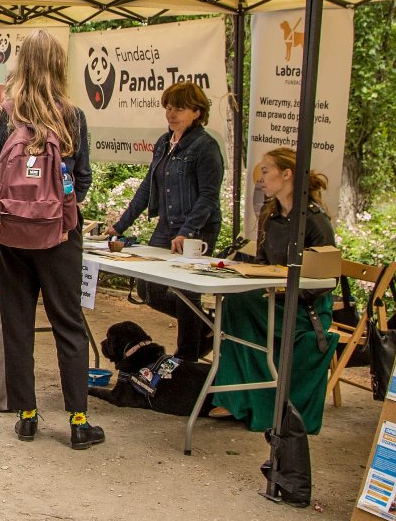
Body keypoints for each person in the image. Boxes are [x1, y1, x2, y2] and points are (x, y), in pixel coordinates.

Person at [0, 31, 101, 449]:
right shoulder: (72, 116)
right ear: (58, 64)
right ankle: (78, 421)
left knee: (17, 322)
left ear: (20, 63)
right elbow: (83, 179)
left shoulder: (1, 116)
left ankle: (28, 416)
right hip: (59, 235)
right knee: (68, 322)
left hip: (10, 235)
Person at [209, 148, 338, 432]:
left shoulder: (314, 221)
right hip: (274, 298)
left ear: (287, 174)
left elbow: (326, 281)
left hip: (305, 308)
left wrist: (278, 288)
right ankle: (240, 397)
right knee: (233, 301)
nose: (261, 178)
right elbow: (263, 264)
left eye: (266, 171)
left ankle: (253, 400)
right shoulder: (271, 215)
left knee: (240, 305)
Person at [105, 81, 226, 359]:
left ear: (197, 112)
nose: (171, 114)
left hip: (197, 228)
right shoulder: (163, 142)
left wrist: (187, 231)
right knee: (148, 286)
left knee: (186, 291)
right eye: (168, 107)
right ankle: (206, 325)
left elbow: (208, 196)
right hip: (168, 224)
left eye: (179, 108)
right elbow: (147, 188)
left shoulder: (205, 146)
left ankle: (186, 355)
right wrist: (119, 226)